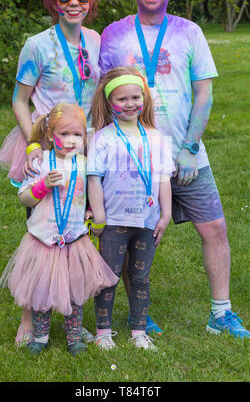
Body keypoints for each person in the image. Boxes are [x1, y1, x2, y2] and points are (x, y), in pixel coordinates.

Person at [98, 0, 250, 339]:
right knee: (136, 236)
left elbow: (204, 94)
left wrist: (189, 146)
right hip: (132, 158)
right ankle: (139, 315)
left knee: (214, 228)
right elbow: (101, 95)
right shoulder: (114, 33)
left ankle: (221, 313)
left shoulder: (190, 31)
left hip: (186, 154)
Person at [0, 0, 101, 346]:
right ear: (53, 1)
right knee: (40, 231)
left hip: (81, 146)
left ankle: (72, 314)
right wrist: (32, 144)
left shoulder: (95, 39)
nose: (74, 4)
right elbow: (19, 100)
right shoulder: (36, 44)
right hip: (45, 147)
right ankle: (29, 315)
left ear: (90, 2)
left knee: (77, 230)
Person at [0, 103, 119, 356]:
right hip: (43, 240)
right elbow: (24, 197)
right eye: (64, 134)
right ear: (50, 135)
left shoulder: (86, 164)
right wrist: (42, 186)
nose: (71, 140)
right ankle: (40, 337)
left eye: (77, 134)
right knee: (41, 292)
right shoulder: (41, 163)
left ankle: (74, 337)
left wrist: (91, 209)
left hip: (74, 240)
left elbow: (96, 190)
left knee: (75, 293)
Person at [87, 67, 173, 350]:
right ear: (110, 101)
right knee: (108, 277)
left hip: (146, 222)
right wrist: (98, 217)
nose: (130, 103)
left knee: (140, 278)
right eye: (122, 99)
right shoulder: (102, 138)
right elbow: (94, 181)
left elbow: (162, 178)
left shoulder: (157, 138)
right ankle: (103, 332)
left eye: (136, 97)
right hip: (112, 221)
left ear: (145, 99)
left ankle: (138, 331)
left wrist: (166, 214)